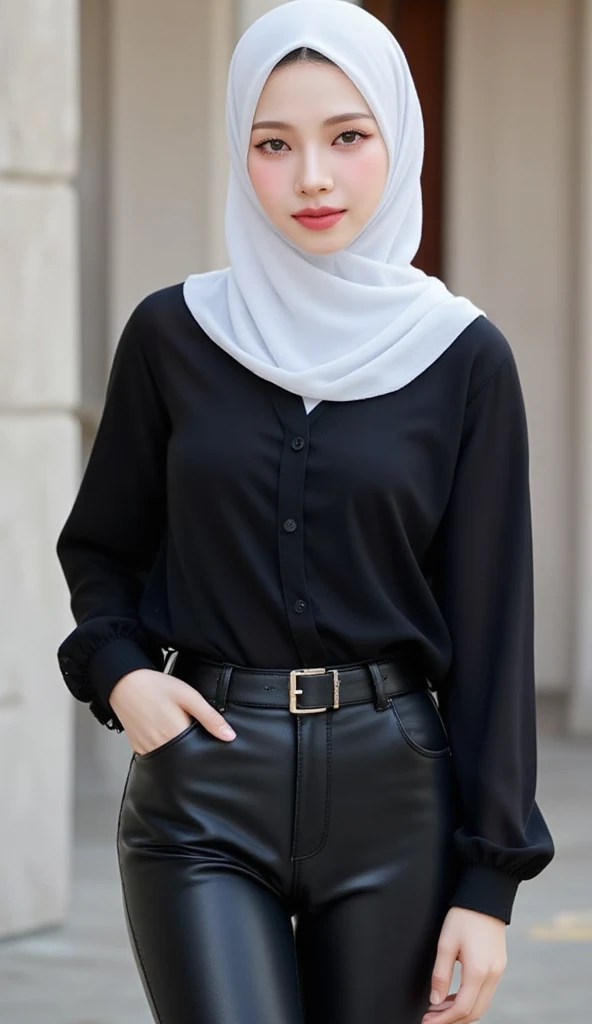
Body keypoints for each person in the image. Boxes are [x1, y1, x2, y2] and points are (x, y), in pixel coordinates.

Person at [55, 2, 555, 1022]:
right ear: (239, 150)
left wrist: (488, 886)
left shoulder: (462, 357)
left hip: (396, 798)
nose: (313, 177)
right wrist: (122, 676)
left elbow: (495, 630)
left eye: (347, 136)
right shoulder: (174, 335)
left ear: (397, 139)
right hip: (202, 787)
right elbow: (101, 546)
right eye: (273, 143)